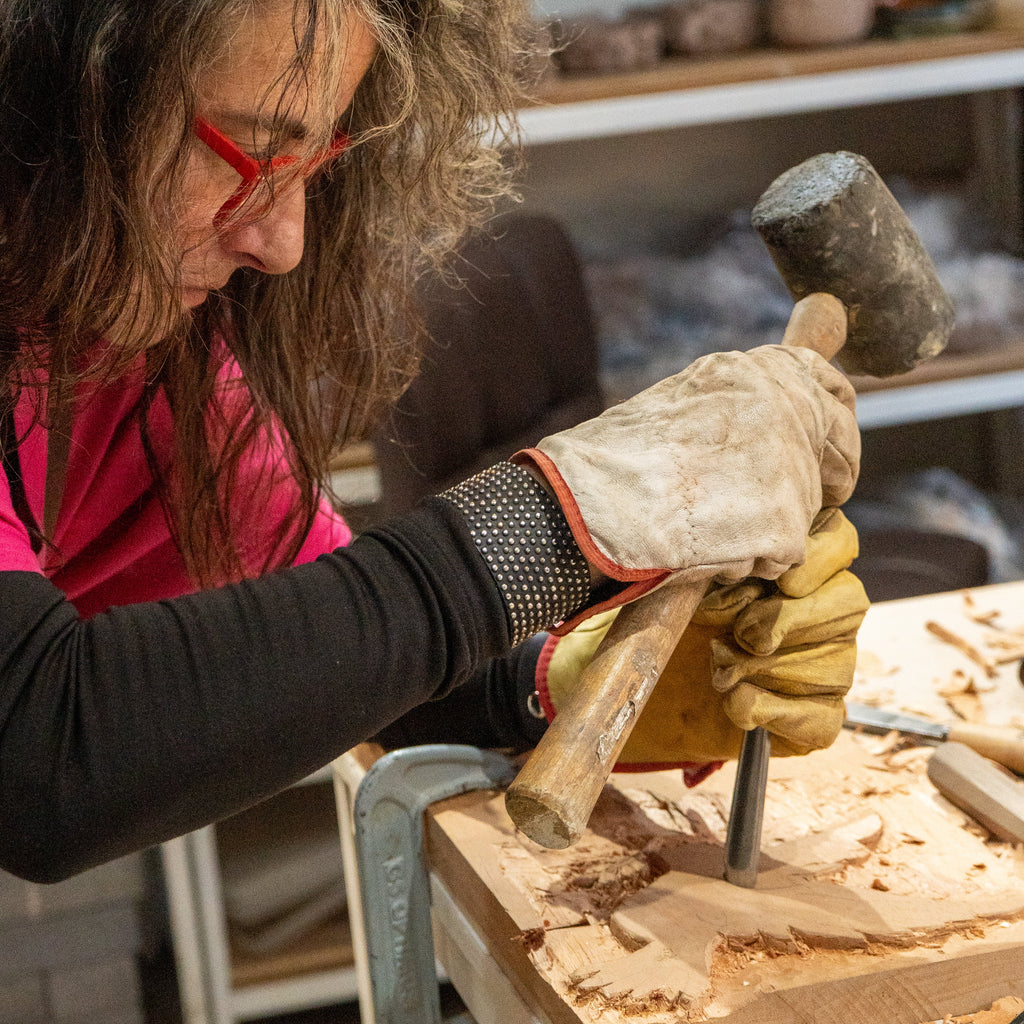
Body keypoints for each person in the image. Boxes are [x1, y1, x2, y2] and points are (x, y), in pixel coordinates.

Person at [0, 0, 864, 884]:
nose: (283, 243)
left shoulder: (134, 354)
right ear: (59, 85)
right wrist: (563, 522)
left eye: (311, 160)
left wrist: (565, 683)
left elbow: (352, 660)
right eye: (253, 154)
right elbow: (40, 761)